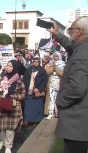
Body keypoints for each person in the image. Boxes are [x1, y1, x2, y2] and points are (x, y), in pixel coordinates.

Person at [48, 17, 88, 153]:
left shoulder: (82, 53)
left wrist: (60, 101)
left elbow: (77, 89)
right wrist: (57, 35)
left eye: (71, 30)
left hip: (78, 122)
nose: (69, 32)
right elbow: (72, 46)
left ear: (80, 32)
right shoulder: (82, 48)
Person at [0, 60, 26, 153]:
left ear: (15, 68)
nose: (7, 67)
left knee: (10, 127)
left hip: (13, 106)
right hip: (0, 104)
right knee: (0, 126)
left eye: (10, 66)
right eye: (7, 66)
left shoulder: (19, 81)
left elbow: (22, 95)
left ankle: (8, 145)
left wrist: (12, 96)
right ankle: (1, 140)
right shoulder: (3, 78)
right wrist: (0, 86)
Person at [23, 57, 48, 126]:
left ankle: (37, 120)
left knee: (37, 106)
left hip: (37, 92)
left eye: (37, 62)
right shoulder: (29, 70)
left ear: (39, 63)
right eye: (34, 62)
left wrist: (39, 89)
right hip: (29, 90)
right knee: (28, 106)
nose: (35, 63)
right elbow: (25, 79)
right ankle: (28, 119)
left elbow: (45, 81)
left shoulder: (42, 71)